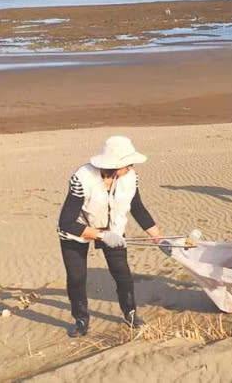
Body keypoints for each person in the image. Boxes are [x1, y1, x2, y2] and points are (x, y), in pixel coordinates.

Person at [56, 136, 162, 337]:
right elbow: (66, 222)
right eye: (127, 164)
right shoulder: (82, 178)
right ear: (114, 164)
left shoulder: (130, 178)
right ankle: (81, 319)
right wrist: (101, 236)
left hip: (112, 229)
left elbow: (137, 208)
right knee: (77, 278)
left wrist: (159, 238)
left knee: (122, 273)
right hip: (76, 232)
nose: (131, 167)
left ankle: (130, 313)